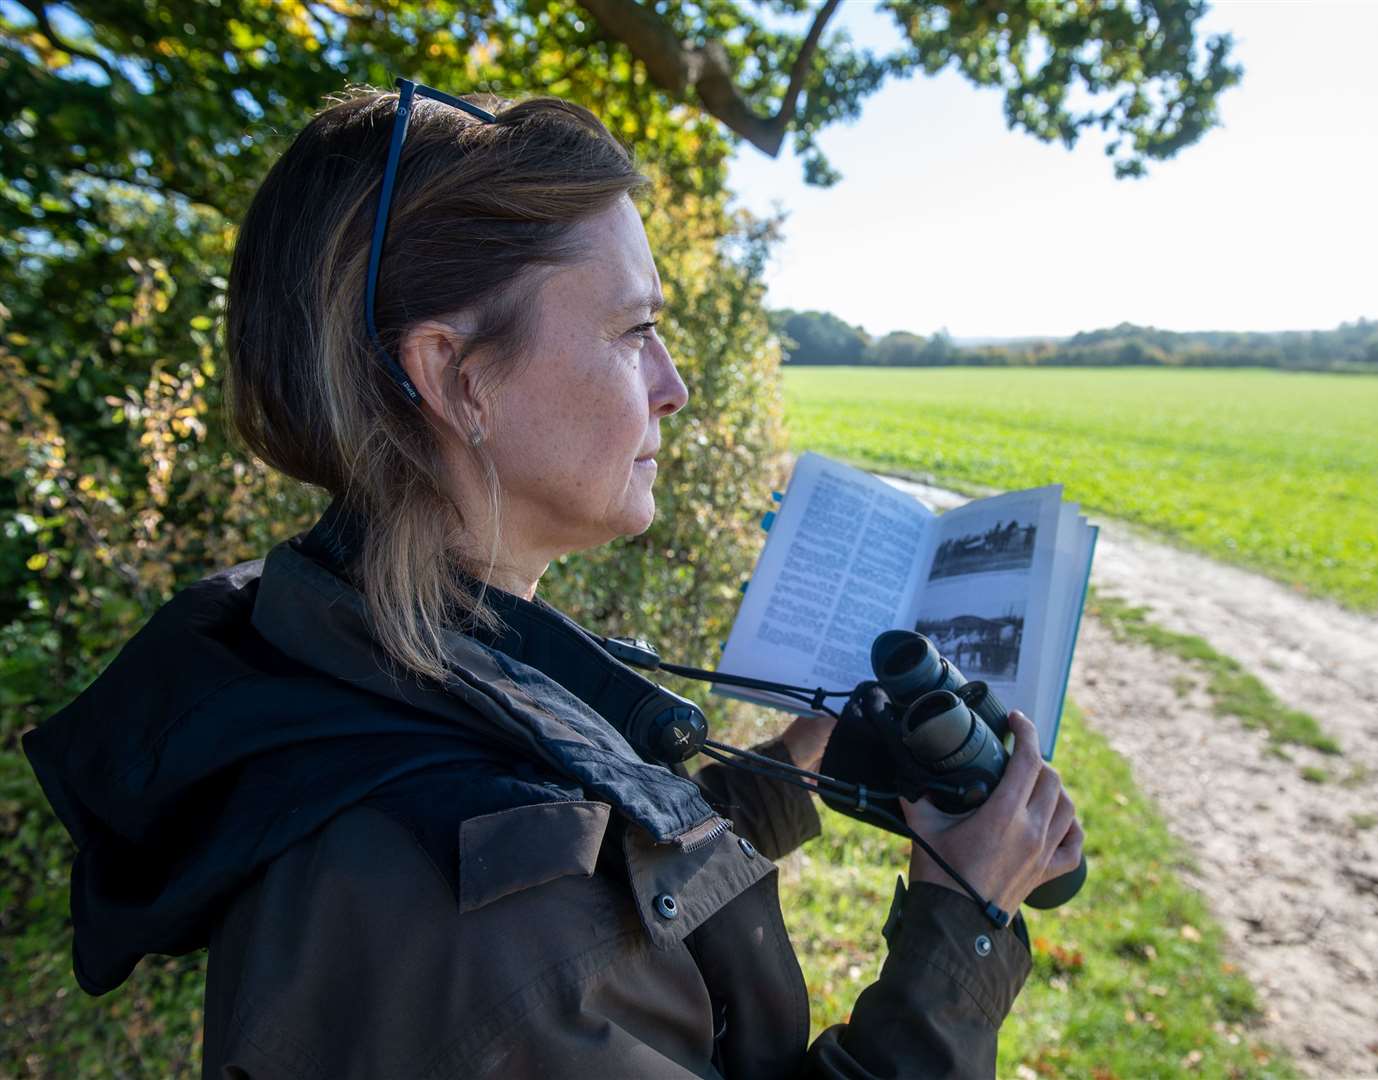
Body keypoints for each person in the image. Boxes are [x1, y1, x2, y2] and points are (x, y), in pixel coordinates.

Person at [22, 81, 1084, 1078]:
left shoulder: (380, 642)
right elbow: (542, 946)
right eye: (634, 332)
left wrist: (792, 764)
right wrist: (963, 918)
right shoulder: (467, 931)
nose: (672, 388)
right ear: (455, 378)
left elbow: (602, 896)